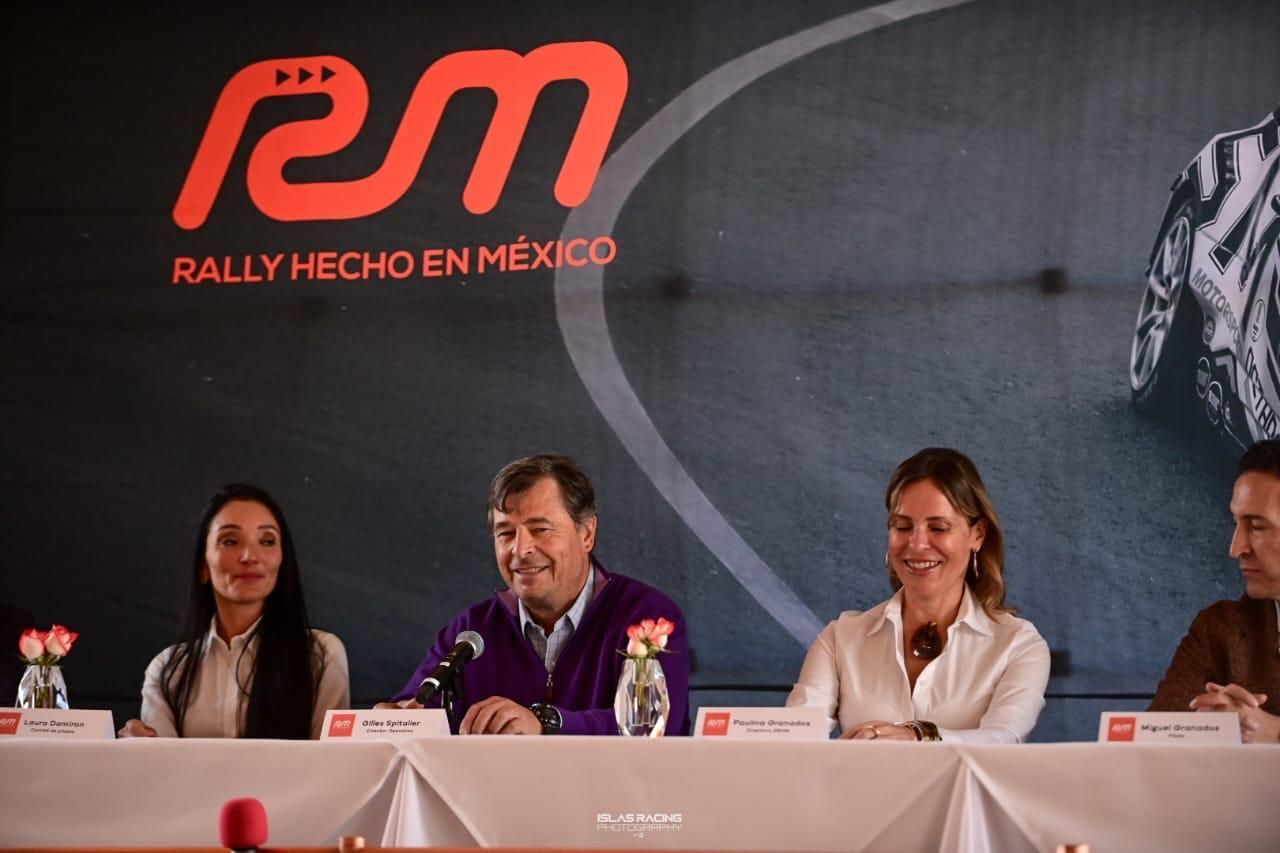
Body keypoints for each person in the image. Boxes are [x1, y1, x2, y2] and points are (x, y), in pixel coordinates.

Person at [384, 454, 690, 735]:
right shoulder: (471, 631)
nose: (521, 549)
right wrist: (391, 721)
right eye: (505, 533)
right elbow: (413, 711)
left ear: (587, 534)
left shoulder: (648, 620)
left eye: (540, 529)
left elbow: (655, 728)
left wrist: (546, 723)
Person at [787, 448, 1050, 742]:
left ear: (978, 535)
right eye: (902, 526)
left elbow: (1002, 739)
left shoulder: (1019, 645)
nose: (917, 543)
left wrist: (918, 736)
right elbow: (796, 741)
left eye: (938, 527)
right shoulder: (839, 639)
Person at [118, 483, 349, 738]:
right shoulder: (168, 670)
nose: (250, 555)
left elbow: (332, 766)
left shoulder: (321, 655)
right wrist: (139, 751)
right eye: (230, 541)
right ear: (203, 567)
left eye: (267, 541)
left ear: (283, 562)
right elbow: (166, 772)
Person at [1149, 439, 1280, 743]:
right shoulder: (1218, 628)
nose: (1236, 549)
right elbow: (1152, 740)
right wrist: (1204, 729)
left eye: (1257, 527)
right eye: (1237, 523)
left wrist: (1274, 734)